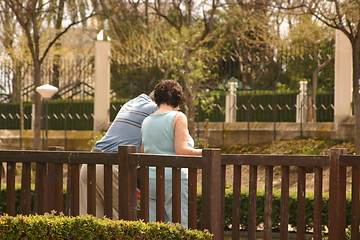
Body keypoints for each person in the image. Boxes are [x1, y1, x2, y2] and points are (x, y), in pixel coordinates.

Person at [79, 93, 157, 219]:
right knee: (127, 220)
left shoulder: (132, 102)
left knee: (91, 223)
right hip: (111, 166)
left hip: (90, 162)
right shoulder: (156, 109)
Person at [141, 79, 202, 228]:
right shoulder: (177, 117)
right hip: (173, 179)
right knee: (180, 226)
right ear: (178, 99)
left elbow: (143, 151)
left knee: (153, 228)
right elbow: (181, 150)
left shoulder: (147, 120)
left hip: (150, 179)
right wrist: (206, 153)